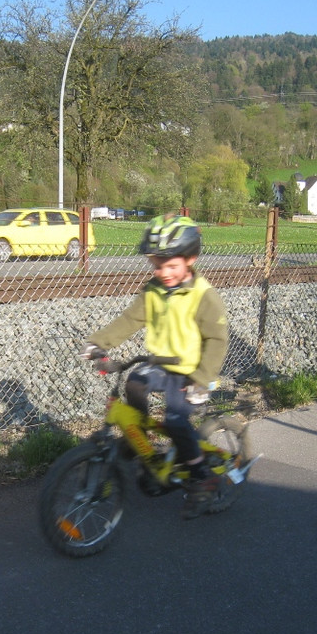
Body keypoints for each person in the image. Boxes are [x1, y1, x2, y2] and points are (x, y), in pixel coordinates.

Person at [81, 214, 229, 519]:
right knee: (135, 382)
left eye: (171, 266)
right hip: (161, 364)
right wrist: (99, 343)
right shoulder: (154, 289)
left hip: (191, 372)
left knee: (175, 421)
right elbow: (130, 319)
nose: (163, 273)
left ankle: (201, 477)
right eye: (156, 266)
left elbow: (217, 340)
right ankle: (139, 439)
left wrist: (202, 380)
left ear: (190, 259)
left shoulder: (203, 295)